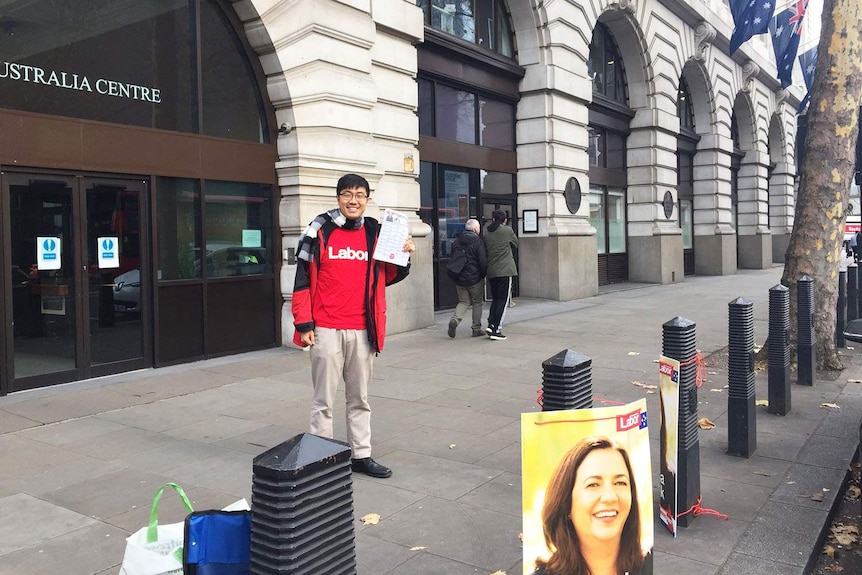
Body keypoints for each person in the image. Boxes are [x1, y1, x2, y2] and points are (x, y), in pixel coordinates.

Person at [292, 173, 415, 479]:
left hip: (363, 329)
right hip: (325, 329)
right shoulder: (319, 229)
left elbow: (387, 275)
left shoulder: (375, 230)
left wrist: (405, 255)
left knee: (359, 398)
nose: (354, 201)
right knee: (323, 399)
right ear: (338, 198)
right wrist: (303, 322)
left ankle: (361, 454)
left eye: (360, 195)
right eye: (347, 194)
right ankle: (320, 457)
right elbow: (302, 278)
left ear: (367, 200)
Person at [531, 437, 647, 575]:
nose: (610, 497)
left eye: (620, 483)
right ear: (566, 503)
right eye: (593, 485)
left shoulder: (648, 565)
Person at [447, 219, 487, 338]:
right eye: (479, 228)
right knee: (477, 303)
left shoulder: (457, 241)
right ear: (475, 229)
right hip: (475, 278)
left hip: (460, 277)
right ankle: (476, 329)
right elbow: (483, 261)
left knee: (463, 301)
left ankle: (455, 320)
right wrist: (482, 274)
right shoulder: (478, 242)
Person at [483, 209, 518, 340]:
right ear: (504, 220)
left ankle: (491, 324)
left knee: (495, 299)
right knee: (502, 301)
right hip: (505, 270)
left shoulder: (487, 234)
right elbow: (516, 243)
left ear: (492, 219)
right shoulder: (507, 230)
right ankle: (496, 329)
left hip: (492, 271)